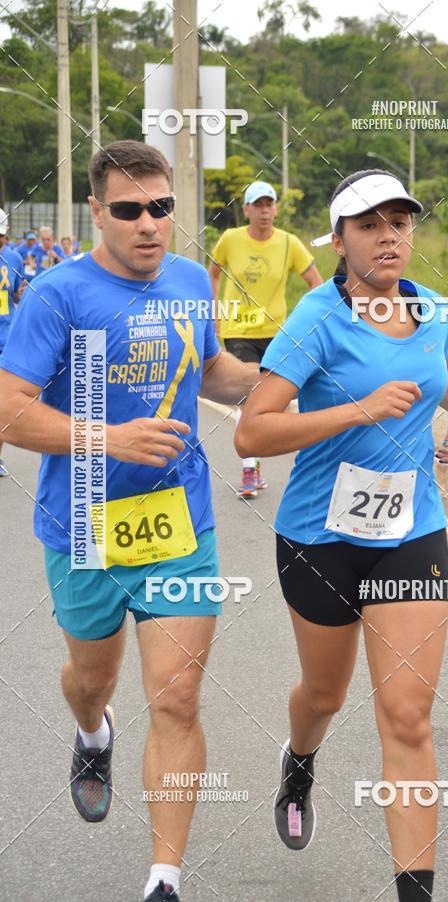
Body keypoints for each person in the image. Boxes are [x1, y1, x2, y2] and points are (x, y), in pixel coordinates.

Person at [0, 139, 258, 902]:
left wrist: (284, 379)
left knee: (176, 696)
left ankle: (165, 879)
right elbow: (9, 411)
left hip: (181, 521)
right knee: (91, 678)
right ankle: (92, 734)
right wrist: (106, 438)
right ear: (96, 212)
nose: (149, 224)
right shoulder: (57, 295)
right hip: (82, 523)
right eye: (128, 210)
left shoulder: (188, 280)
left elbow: (212, 369)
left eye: (162, 208)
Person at [236, 169, 448, 902]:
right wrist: (359, 411)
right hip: (320, 538)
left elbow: (440, 364)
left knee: (407, 716)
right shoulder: (317, 318)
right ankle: (300, 761)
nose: (389, 238)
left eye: (400, 224)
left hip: (411, 532)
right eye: (370, 226)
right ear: (339, 241)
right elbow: (252, 429)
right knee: (324, 694)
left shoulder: (431, 307)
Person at [208, 180, 322, 498]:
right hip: (238, 330)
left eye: (269, 204)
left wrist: (302, 320)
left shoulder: (289, 243)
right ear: (245, 210)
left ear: (275, 208)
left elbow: (316, 283)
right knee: (251, 394)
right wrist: (214, 310)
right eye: (257, 205)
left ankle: (254, 462)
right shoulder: (230, 240)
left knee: (275, 403)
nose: (264, 211)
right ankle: (248, 468)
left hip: (277, 333)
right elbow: (213, 273)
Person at [0, 208, 25, 476]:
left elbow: (16, 297)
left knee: (2, 404)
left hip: (6, 340)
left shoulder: (14, 259)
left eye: (2, 236)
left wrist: (22, 292)